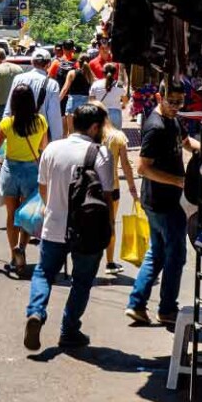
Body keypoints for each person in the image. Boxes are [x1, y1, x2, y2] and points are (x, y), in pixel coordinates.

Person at [23, 104, 114, 351]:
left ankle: (36, 312)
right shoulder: (101, 154)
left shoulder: (52, 149)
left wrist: (53, 207)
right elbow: (106, 196)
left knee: (43, 273)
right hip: (88, 230)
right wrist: (109, 228)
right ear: (94, 127)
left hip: (53, 226)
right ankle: (69, 330)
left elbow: (43, 188)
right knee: (81, 281)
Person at [126, 82, 200, 326]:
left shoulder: (173, 120)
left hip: (162, 201)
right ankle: (167, 309)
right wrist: (179, 181)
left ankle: (137, 304)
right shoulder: (155, 127)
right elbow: (143, 168)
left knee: (157, 253)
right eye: (172, 101)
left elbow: (186, 142)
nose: (176, 106)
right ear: (160, 97)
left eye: (180, 102)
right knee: (175, 256)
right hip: (163, 202)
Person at [0, 84, 50, 277]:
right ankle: (22, 247)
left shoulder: (7, 124)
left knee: (11, 215)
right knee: (25, 214)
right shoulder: (41, 122)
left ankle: (13, 256)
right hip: (31, 172)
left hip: (10, 171)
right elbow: (44, 147)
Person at [89, 99, 138, 275]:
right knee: (110, 224)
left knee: (89, 224)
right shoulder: (118, 136)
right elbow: (126, 165)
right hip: (112, 188)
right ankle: (109, 263)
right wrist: (133, 189)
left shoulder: (87, 137)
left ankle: (89, 261)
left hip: (90, 186)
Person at [5, 49, 64, 144]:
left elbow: (9, 108)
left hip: (18, 132)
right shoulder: (52, 84)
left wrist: (5, 133)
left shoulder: (18, 79)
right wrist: (56, 141)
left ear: (32, 62)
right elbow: (54, 116)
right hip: (41, 136)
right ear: (48, 64)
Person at [59, 54, 94, 136]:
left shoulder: (72, 73)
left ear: (78, 62)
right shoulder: (91, 75)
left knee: (71, 132)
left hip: (73, 102)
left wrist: (57, 101)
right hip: (85, 104)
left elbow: (64, 89)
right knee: (84, 132)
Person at [88, 63, 128, 128]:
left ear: (103, 73)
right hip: (115, 114)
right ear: (115, 73)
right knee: (115, 134)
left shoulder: (96, 84)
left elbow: (91, 101)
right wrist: (123, 105)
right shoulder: (119, 85)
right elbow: (125, 100)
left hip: (100, 114)